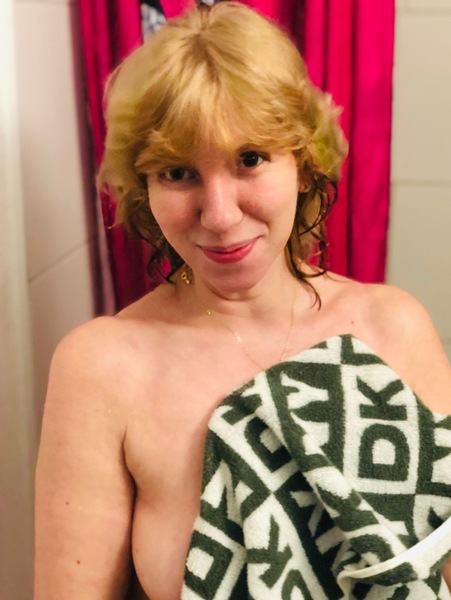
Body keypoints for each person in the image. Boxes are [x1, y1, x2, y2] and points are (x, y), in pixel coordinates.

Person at [34, 2, 451, 599]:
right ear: (143, 187)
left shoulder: (394, 327)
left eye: (250, 159)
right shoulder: (102, 367)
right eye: (177, 172)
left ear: (304, 163)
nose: (220, 215)